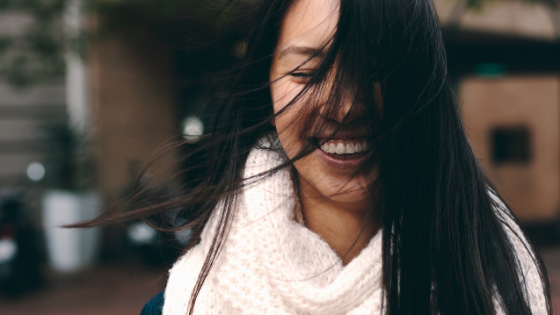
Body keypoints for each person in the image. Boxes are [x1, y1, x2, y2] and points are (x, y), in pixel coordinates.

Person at [100, 0, 551, 314]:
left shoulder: (494, 279)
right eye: (307, 71)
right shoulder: (185, 306)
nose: (344, 106)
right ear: (267, 85)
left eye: (376, 71)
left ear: (423, 90)